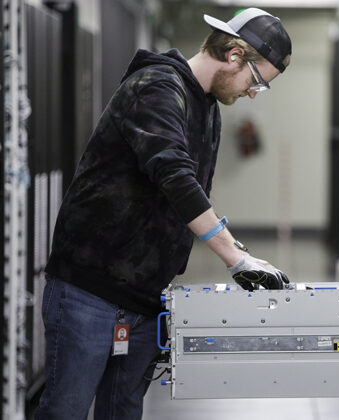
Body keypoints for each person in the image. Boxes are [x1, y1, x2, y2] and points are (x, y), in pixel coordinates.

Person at [35, 7, 292, 420]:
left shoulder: (207, 109)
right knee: (65, 412)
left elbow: (190, 196)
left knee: (122, 412)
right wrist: (235, 259)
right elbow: (173, 175)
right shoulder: (156, 87)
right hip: (90, 291)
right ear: (235, 56)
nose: (251, 92)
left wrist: (242, 251)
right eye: (257, 80)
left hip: (142, 297)